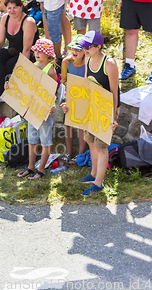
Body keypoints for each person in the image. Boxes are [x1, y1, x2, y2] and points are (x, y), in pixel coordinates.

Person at [62, 31, 120, 195]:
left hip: (105, 110)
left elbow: (115, 92)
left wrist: (113, 117)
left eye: (88, 46)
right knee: (91, 142)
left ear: (98, 47)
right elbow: (86, 86)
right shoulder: (88, 59)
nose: (84, 48)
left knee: (102, 147)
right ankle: (93, 173)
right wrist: (72, 103)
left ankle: (99, 183)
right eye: (84, 46)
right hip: (91, 107)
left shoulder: (109, 64)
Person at [0, 0, 37, 124]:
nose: (12, 11)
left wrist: (21, 70)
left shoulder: (28, 21)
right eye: (9, 8)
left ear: (21, 7)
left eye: (15, 7)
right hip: (12, 50)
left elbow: (27, 49)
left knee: (3, 68)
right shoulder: (5, 18)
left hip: (28, 55)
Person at [15, 39, 58, 180]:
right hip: (32, 109)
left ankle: (41, 170)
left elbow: (53, 92)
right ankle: (31, 166)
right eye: (36, 51)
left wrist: (51, 106)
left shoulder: (50, 71)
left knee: (45, 141)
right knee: (32, 139)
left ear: (48, 54)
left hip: (44, 110)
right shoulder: (32, 66)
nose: (37, 53)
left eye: (41, 51)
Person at [60, 34, 87, 162]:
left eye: (79, 49)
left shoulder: (87, 62)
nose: (75, 52)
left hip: (83, 96)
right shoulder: (66, 62)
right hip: (70, 95)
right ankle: (69, 151)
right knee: (68, 124)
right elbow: (63, 80)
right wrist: (72, 88)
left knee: (81, 125)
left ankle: (81, 153)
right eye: (73, 49)